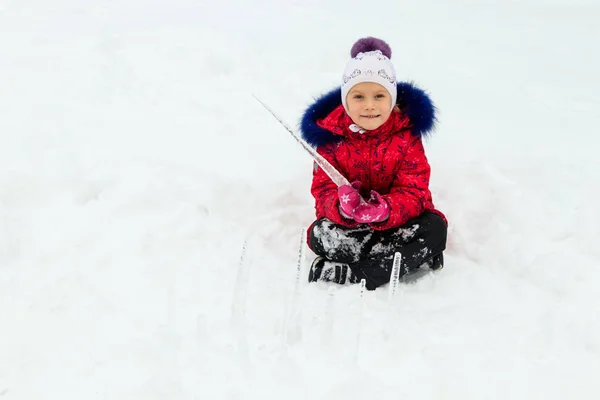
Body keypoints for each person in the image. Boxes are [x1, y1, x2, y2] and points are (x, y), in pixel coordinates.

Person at [299, 37, 448, 291]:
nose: (369, 105)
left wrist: (386, 210)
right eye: (358, 96)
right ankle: (404, 258)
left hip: (397, 224)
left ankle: (357, 272)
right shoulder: (330, 138)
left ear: (392, 99)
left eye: (379, 95)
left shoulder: (407, 136)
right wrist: (341, 207)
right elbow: (323, 191)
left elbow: (415, 191)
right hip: (352, 228)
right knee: (318, 234)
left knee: (435, 229)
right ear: (346, 101)